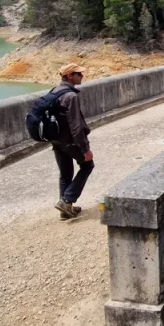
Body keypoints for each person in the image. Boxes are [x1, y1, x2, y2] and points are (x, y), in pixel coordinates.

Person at [50, 63, 94, 220]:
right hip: (69, 141)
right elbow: (76, 125)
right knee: (88, 165)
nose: (82, 76)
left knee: (65, 173)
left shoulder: (54, 91)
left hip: (56, 140)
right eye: (79, 74)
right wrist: (84, 149)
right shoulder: (70, 96)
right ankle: (67, 200)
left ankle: (65, 210)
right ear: (69, 76)